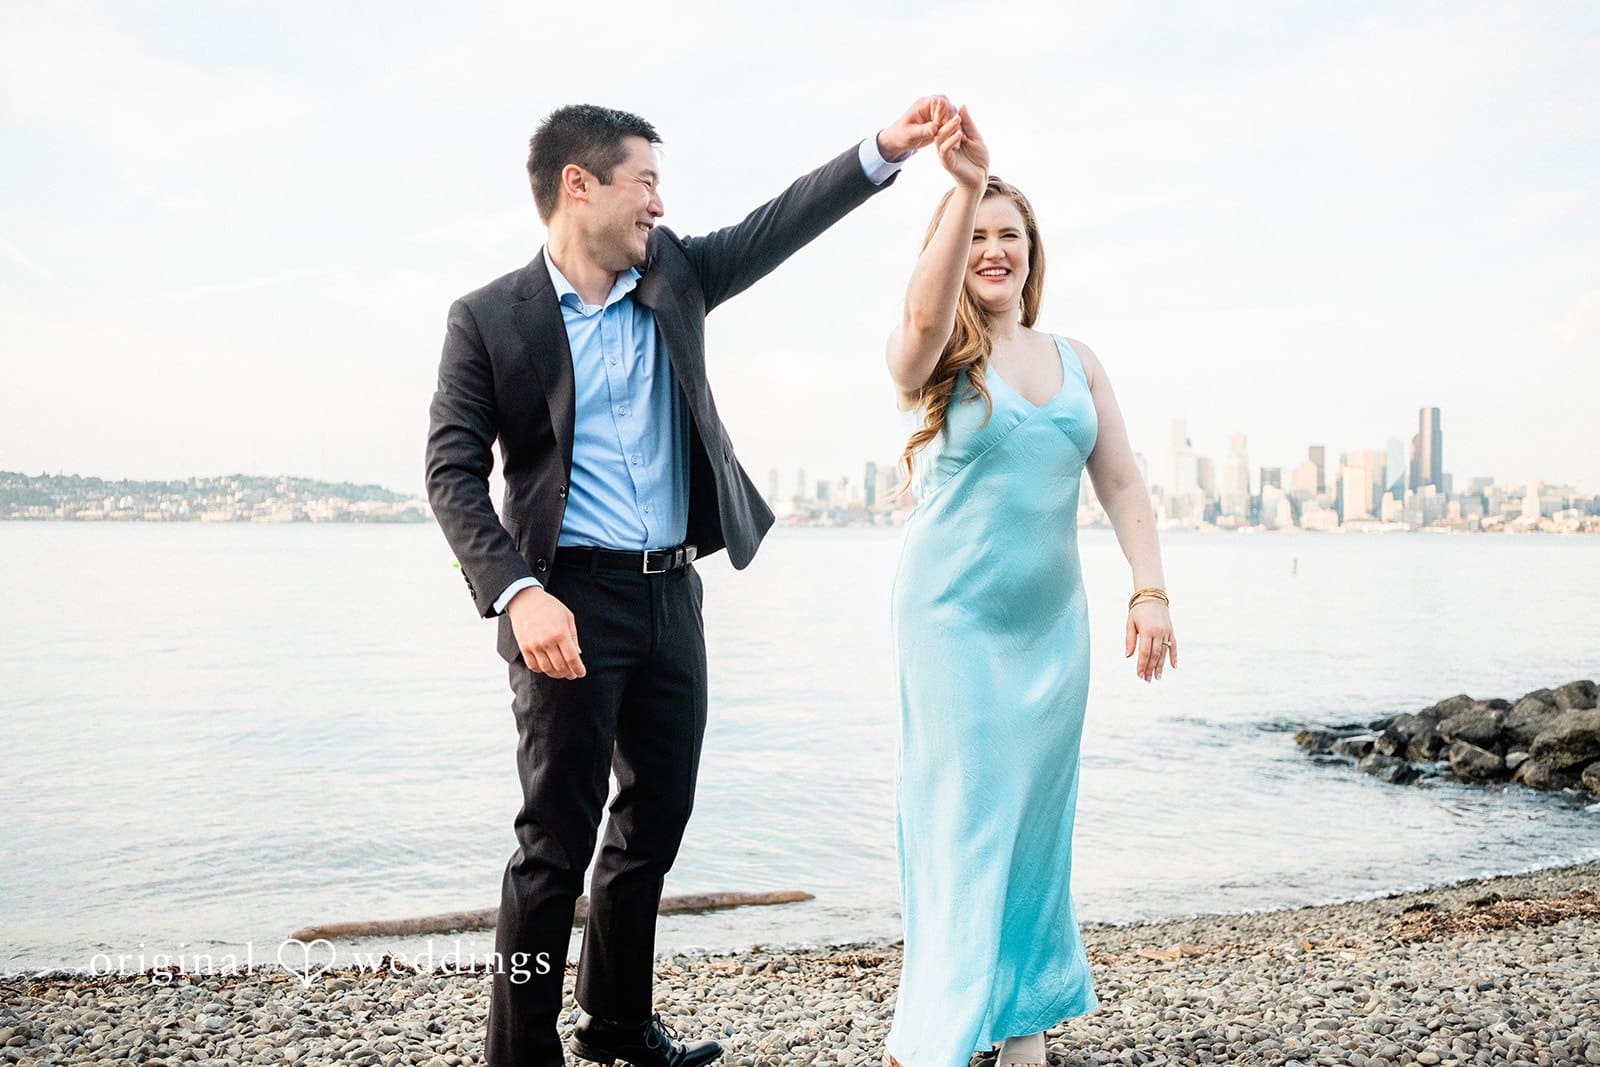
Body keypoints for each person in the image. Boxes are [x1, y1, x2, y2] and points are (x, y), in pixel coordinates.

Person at [424, 99, 950, 1067]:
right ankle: (518, 1052)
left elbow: (777, 223)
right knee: (552, 850)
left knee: (651, 826)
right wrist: (514, 591)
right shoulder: (489, 320)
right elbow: (450, 472)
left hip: (673, 599)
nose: (659, 205)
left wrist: (883, 151)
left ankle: (617, 1029)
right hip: (563, 606)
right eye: (645, 183)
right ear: (577, 187)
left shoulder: (674, 278)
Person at [882, 105, 1178, 1067]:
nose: (995, 248)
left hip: (1053, 629)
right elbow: (919, 323)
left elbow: (1124, 481)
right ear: (952, 247)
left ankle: (1022, 1023)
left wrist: (1149, 590)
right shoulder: (937, 358)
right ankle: (934, 1034)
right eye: (977, 234)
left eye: (1012, 233)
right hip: (952, 624)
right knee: (967, 822)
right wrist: (964, 184)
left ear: (1032, 253)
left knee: (1037, 829)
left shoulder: (1079, 360)